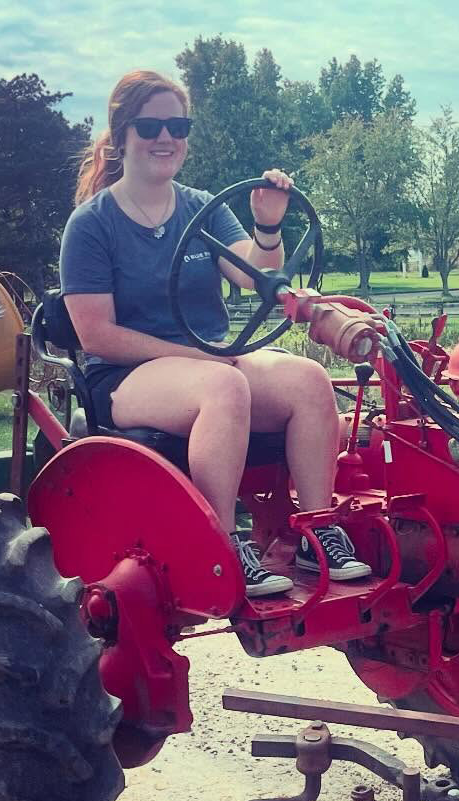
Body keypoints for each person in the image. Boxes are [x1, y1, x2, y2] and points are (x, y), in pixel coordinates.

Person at [58, 69, 370, 597]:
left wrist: (267, 226)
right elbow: (97, 336)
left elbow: (256, 275)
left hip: (209, 360)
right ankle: (223, 546)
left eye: (178, 126)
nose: (166, 138)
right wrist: (193, 356)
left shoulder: (201, 207)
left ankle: (318, 533)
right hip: (128, 376)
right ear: (122, 134)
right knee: (225, 388)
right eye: (152, 126)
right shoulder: (91, 225)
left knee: (309, 380)